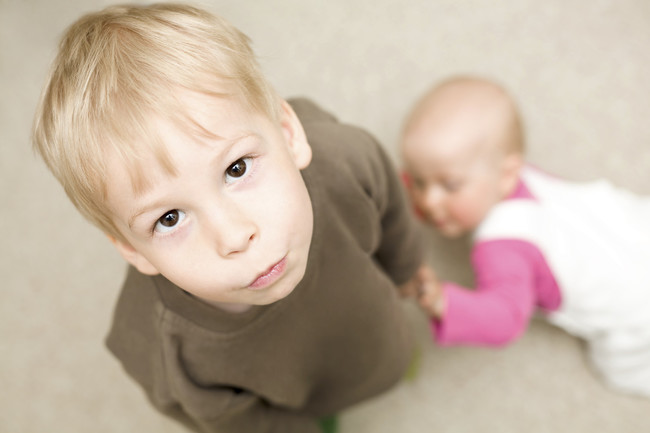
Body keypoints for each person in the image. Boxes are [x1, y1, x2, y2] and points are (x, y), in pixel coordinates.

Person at [32, 4, 426, 432]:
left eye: (236, 169)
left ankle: (392, 366)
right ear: (131, 249)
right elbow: (234, 422)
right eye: (169, 218)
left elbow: (391, 211)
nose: (234, 236)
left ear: (288, 133)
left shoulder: (343, 160)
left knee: (390, 358)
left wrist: (406, 269)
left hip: (377, 327)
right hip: (297, 401)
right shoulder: (164, 347)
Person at [400, 75, 650, 398]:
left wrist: (441, 302)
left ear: (506, 174)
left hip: (636, 307)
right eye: (418, 182)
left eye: (449, 185)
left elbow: (505, 320)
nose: (429, 201)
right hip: (632, 234)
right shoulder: (511, 172)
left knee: (619, 368)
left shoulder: (502, 248)